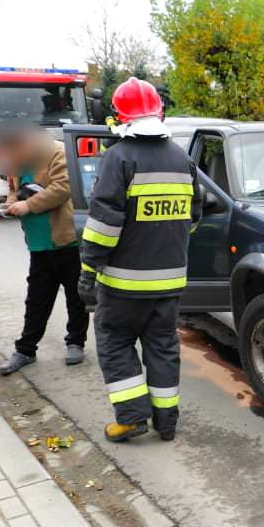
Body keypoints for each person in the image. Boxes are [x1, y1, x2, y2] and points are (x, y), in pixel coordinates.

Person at [78, 77, 201, 443]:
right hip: (169, 284)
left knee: (115, 342)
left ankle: (132, 418)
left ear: (120, 116)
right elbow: (191, 218)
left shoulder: (118, 158)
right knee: (163, 347)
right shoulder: (181, 158)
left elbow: (103, 225)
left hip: (123, 286)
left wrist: (88, 271)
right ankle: (167, 422)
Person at [0, 120, 89, 375]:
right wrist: (10, 204)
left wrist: (28, 206)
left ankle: (76, 342)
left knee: (75, 295)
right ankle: (25, 350)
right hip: (38, 243)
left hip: (66, 239)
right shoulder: (17, 160)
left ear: (26, 142)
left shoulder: (57, 152)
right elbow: (14, 189)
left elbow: (63, 188)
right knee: (36, 299)